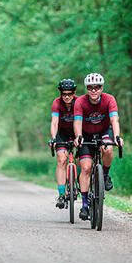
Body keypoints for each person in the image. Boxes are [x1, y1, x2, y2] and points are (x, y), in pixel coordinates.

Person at [74, 72, 123, 221]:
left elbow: (114, 119)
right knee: (86, 167)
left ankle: (105, 175)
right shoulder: (80, 102)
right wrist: (78, 137)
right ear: (87, 89)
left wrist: (117, 137)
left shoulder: (109, 99)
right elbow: (77, 121)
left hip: (104, 132)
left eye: (97, 87)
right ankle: (84, 205)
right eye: (90, 88)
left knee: (108, 148)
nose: (94, 90)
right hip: (86, 135)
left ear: (102, 88)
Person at [48, 78, 77, 209]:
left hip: (78, 132)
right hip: (62, 133)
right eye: (64, 94)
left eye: (69, 94)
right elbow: (54, 122)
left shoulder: (79, 102)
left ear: (74, 93)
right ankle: (61, 194)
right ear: (60, 93)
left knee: (85, 161)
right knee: (61, 160)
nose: (66, 96)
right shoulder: (56, 103)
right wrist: (53, 138)